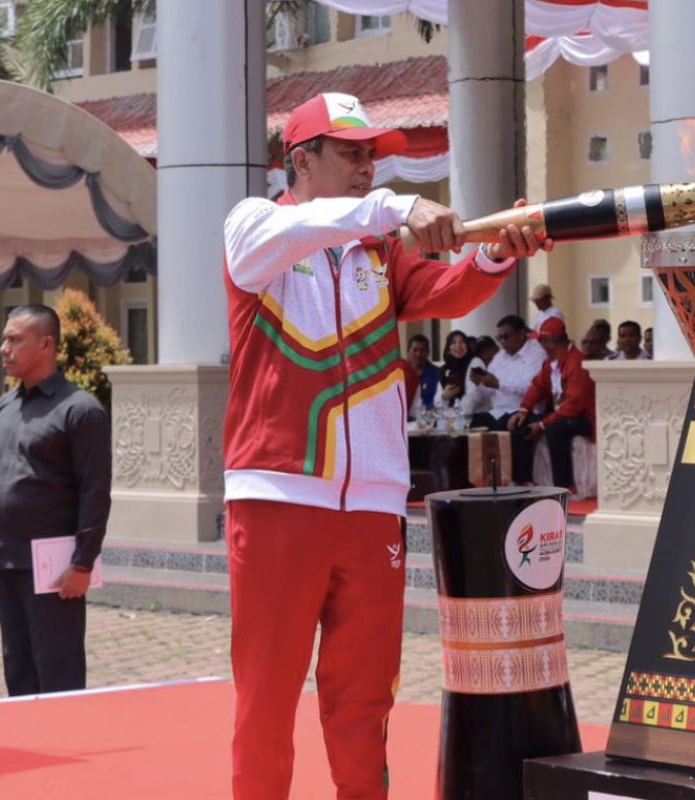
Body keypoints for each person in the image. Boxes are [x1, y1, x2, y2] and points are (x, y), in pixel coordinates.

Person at [221, 91, 548, 799]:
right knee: (267, 700)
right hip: (280, 495)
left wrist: (493, 256)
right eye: (352, 153)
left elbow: (449, 290)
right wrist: (396, 208)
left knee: (365, 703)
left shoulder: (378, 256)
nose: (367, 167)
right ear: (299, 160)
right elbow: (307, 230)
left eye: (374, 156)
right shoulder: (255, 229)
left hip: (373, 506)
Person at [0, 305, 111, 696]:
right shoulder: (5, 406)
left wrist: (82, 562)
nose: (3, 348)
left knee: (57, 674)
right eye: (5, 338)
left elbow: (95, 491)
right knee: (19, 672)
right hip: (5, 562)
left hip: (52, 571)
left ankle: (71, 748)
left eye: (15, 340)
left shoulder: (80, 410)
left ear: (46, 344)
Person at [508, 318, 596, 496]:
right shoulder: (551, 362)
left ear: (551, 341)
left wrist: (543, 425)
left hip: (584, 417)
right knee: (521, 425)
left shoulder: (576, 362)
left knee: (555, 430)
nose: (540, 345)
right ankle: (523, 480)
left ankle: (565, 486)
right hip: (562, 414)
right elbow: (538, 386)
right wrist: (524, 410)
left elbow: (574, 406)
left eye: (541, 340)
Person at [470, 315, 547, 474]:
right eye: (499, 338)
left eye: (505, 337)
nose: (501, 342)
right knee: (473, 422)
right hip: (498, 411)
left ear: (520, 334)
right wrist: (480, 382)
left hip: (525, 411)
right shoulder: (500, 357)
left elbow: (531, 388)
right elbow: (490, 390)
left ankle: (520, 480)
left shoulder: (537, 354)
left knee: (509, 424)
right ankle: (482, 477)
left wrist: (498, 384)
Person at [437, 329, 488, 418]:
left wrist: (455, 414)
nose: (458, 345)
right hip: (451, 418)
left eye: (462, 342)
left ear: (467, 346)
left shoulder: (475, 362)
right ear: (448, 348)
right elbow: (438, 398)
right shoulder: (446, 368)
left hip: (475, 417)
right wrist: (444, 397)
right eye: (453, 342)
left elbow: (474, 396)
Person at [407, 333, 439, 411]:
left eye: (422, 350)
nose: (418, 354)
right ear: (408, 351)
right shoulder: (401, 374)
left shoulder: (438, 374)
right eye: (415, 350)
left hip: (429, 419)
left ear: (428, 352)